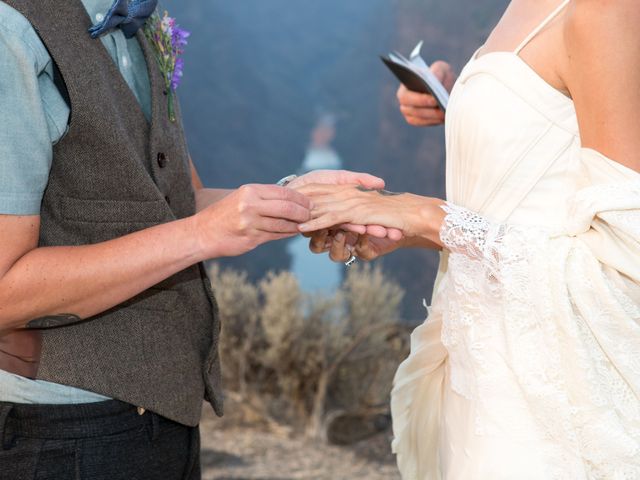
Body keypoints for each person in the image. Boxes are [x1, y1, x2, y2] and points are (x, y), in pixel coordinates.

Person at [0, 1, 388, 478]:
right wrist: (203, 235)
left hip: (163, 416)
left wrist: (298, 201)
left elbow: (180, 201)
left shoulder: (143, 20)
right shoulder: (11, 32)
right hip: (62, 430)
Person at [298, 0, 640, 478]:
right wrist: (408, 225)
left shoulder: (606, 10)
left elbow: (626, 262)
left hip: (551, 397)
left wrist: (420, 213)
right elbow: (525, 204)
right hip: (479, 374)